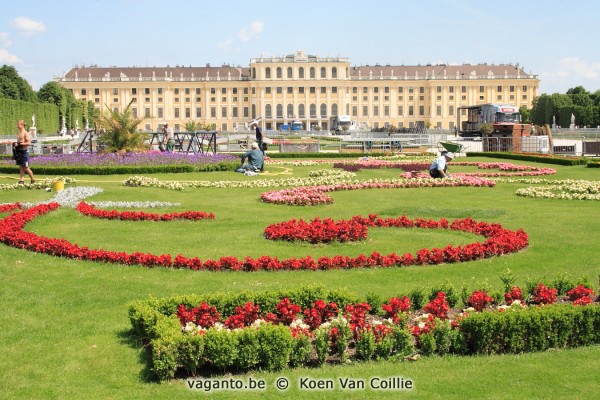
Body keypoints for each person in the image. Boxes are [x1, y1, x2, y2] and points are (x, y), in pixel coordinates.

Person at [13, 119, 35, 184]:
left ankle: (32, 179)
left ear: (22, 125)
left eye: (18, 124)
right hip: (19, 152)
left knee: (26, 167)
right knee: (21, 167)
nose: (17, 125)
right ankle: (21, 180)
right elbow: (19, 143)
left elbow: (28, 143)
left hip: (25, 153)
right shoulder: (19, 133)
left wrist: (20, 144)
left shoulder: (25, 133)